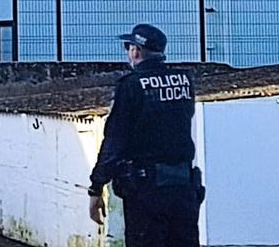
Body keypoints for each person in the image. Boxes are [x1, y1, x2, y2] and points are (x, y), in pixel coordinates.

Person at [87, 23, 204, 247]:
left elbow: (114, 141)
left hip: (146, 192)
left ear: (136, 51)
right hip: (183, 188)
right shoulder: (184, 80)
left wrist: (96, 186)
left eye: (128, 46)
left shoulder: (131, 86)